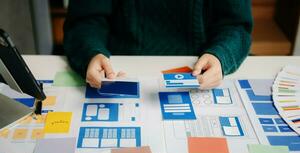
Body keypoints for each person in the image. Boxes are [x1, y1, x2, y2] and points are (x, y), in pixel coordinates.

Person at [64, 0, 253, 89]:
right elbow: (85, 21)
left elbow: (236, 25)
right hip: (117, 69)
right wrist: (91, 53)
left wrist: (220, 56)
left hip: (199, 71)